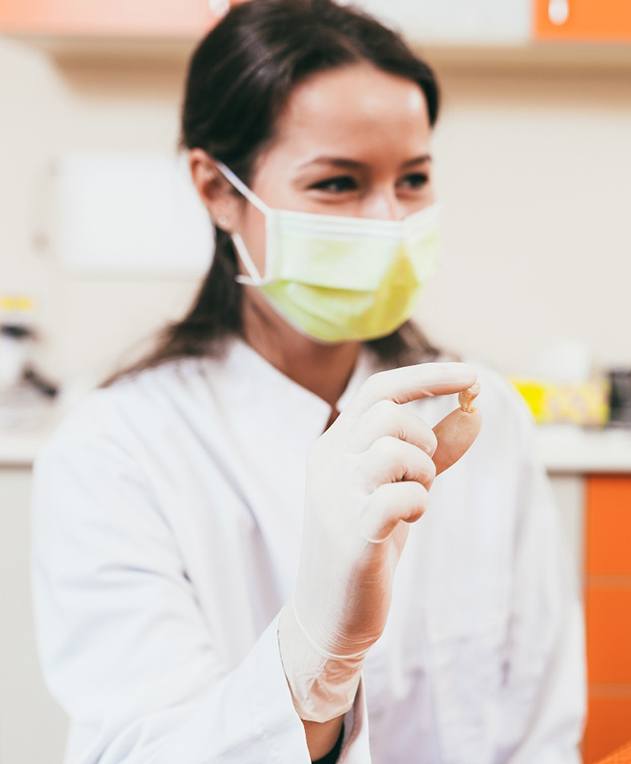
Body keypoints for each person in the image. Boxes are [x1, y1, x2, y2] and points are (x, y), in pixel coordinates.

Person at [31, 1, 585, 762]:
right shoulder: (115, 450)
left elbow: (543, 721)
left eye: (413, 178)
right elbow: (140, 747)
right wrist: (318, 659)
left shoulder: (482, 418)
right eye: (337, 184)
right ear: (217, 189)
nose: (388, 222)